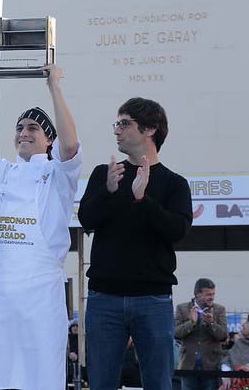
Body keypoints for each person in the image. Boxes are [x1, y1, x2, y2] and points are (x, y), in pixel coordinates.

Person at [0, 63, 82, 390]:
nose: (24, 132)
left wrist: (54, 86)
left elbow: (70, 146)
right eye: (20, 127)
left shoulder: (58, 174)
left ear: (48, 139)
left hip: (41, 296)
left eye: (33, 128)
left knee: (40, 376)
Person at [78, 97, 193, 390]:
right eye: (116, 123)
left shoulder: (174, 183)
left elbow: (177, 229)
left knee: (158, 382)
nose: (116, 130)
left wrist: (143, 199)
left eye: (124, 123)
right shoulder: (105, 174)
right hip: (104, 297)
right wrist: (109, 191)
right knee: (102, 382)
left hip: (152, 299)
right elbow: (87, 220)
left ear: (150, 129)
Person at [175, 278, 228, 390]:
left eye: (213, 294)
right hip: (188, 366)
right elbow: (176, 334)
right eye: (208, 294)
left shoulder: (219, 310)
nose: (212, 297)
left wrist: (212, 323)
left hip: (211, 366)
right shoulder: (182, 308)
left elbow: (223, 336)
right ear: (197, 294)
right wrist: (191, 323)